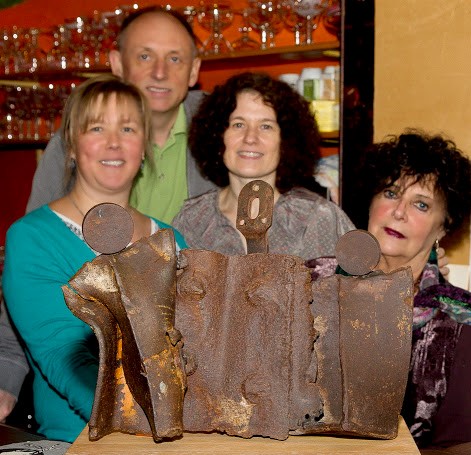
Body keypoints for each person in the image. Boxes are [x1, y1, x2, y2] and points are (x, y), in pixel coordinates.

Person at [3, 74, 187, 443]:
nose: (114, 142)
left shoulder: (171, 239)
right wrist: (143, 428)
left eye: (128, 129)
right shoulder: (33, 238)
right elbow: (63, 355)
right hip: (82, 440)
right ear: (71, 146)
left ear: (144, 147)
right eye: (97, 128)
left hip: (176, 436)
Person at [26, 7, 215, 224]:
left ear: (193, 70)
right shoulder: (77, 141)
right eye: (145, 57)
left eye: (174, 59)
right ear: (118, 64)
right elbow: (38, 230)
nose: (160, 73)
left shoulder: (223, 128)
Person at [352, 130, 471, 452]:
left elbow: (458, 447)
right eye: (391, 193)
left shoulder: (460, 324)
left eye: (421, 204)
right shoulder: (311, 282)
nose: (399, 212)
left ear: (444, 225)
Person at [172, 72, 355, 258]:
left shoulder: (319, 219)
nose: (250, 138)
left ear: (285, 141)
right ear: (218, 135)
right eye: (238, 125)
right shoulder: (192, 222)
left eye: (266, 126)